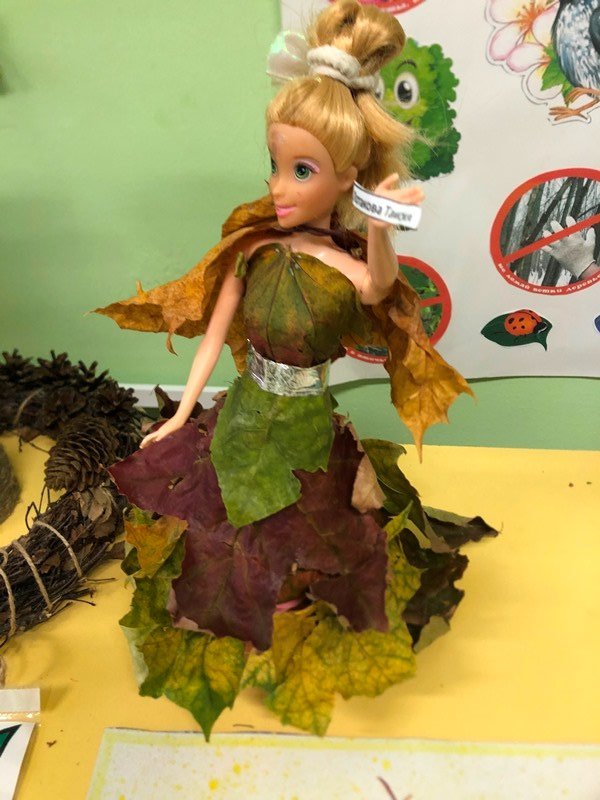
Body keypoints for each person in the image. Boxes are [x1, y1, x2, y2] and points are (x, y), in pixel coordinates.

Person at [98, 0, 496, 736]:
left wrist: (381, 227)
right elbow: (215, 335)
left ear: (347, 178)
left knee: (314, 512)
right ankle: (238, 602)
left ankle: (288, 595)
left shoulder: (346, 266)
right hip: (244, 410)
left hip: (308, 420)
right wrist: (181, 413)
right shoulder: (251, 248)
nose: (280, 187)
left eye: (302, 170)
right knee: (221, 507)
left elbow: (378, 287)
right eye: (275, 166)